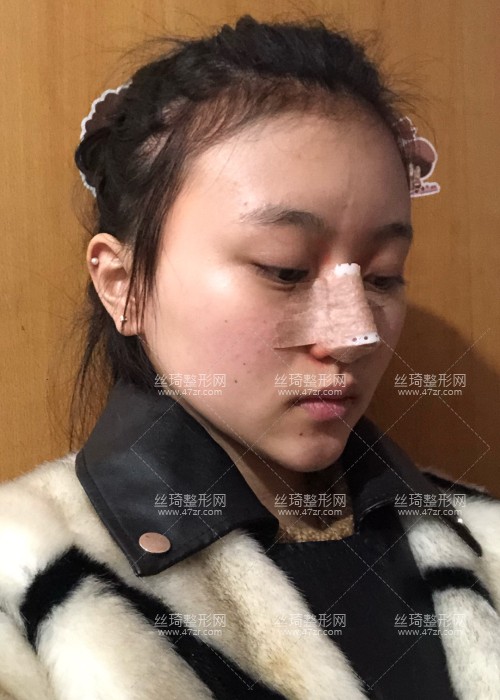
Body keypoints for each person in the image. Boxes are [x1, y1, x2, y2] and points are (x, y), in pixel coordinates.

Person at [0, 14, 499, 700]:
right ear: (124, 285)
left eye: (383, 276)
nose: (354, 333)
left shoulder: (483, 540)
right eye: (284, 269)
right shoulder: (23, 576)